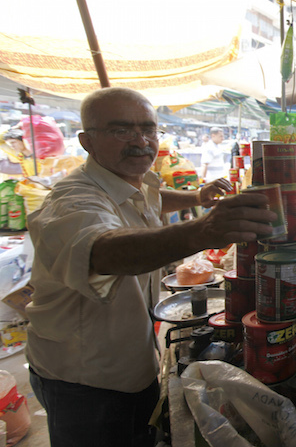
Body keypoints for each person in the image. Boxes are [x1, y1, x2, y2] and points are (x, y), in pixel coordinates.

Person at [25, 87, 277, 447]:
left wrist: (196, 197)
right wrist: (202, 230)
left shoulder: (134, 181)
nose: (140, 141)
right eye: (121, 130)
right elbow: (101, 251)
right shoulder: (72, 200)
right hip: (82, 379)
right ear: (86, 142)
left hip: (136, 359)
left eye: (148, 129)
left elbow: (152, 199)